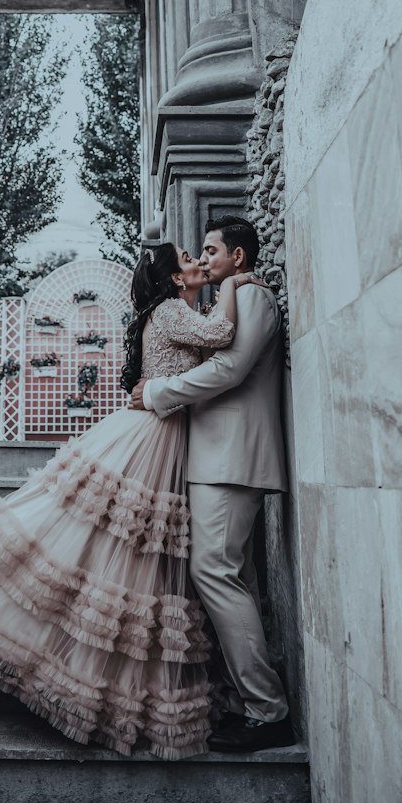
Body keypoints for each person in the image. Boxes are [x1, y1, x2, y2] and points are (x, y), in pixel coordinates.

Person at [0, 244, 257, 759]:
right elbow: (223, 337)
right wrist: (234, 284)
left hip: (165, 433)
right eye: (187, 258)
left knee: (139, 556)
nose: (197, 260)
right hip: (152, 438)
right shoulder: (173, 310)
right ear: (176, 280)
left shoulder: (177, 309)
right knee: (116, 544)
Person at [131, 216, 295, 753]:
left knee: (213, 571)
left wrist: (157, 391)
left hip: (232, 458)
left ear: (238, 259)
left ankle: (267, 711)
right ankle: (248, 702)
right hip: (215, 458)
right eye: (196, 253)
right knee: (231, 577)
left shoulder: (252, 299)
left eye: (210, 250)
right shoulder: (225, 300)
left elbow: (228, 370)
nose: (202, 259)